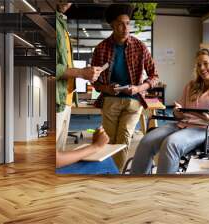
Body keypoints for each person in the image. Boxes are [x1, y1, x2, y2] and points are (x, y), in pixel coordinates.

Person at [131, 49, 209, 174]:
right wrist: (177, 112)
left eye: (205, 63)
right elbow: (179, 108)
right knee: (146, 141)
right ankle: (136, 179)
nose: (202, 68)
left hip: (206, 129)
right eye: (199, 65)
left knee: (171, 143)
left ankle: (162, 186)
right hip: (182, 124)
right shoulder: (191, 86)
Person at [91, 4, 159, 170]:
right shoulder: (101, 48)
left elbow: (154, 76)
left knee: (124, 138)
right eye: (121, 24)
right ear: (112, 25)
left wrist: (139, 88)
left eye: (128, 23)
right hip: (111, 101)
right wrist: (107, 88)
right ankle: (108, 171)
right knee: (109, 139)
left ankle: (116, 175)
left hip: (133, 101)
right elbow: (94, 80)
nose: (125, 28)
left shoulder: (140, 47)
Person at [56, 2, 104, 152]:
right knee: (53, 156)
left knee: (59, 152)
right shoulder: (50, 22)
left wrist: (85, 73)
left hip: (67, 98)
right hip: (56, 99)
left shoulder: (62, 23)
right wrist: (81, 73)